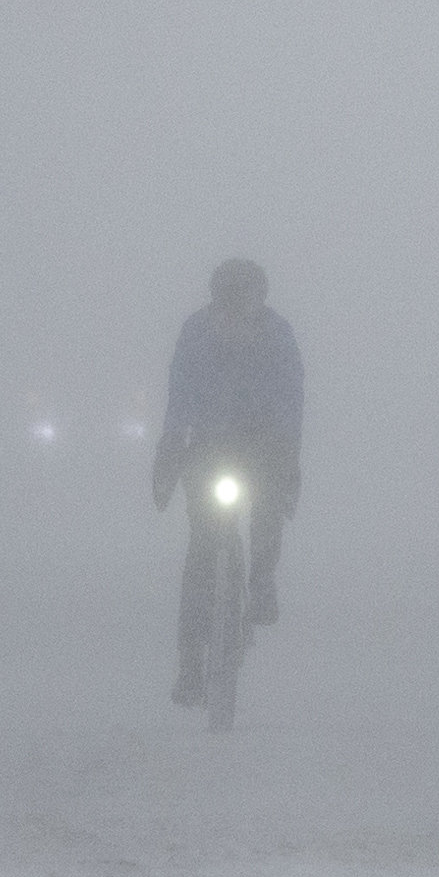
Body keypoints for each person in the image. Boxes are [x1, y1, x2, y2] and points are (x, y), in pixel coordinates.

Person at [152, 257, 303, 707]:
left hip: (262, 444)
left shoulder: (278, 334)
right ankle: (189, 668)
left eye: (246, 298)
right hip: (208, 447)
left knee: (268, 508)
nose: (236, 307)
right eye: (228, 299)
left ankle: (261, 581)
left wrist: (288, 447)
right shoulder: (195, 331)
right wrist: (172, 439)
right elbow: (179, 388)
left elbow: (292, 394)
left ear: (260, 297)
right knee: (202, 550)